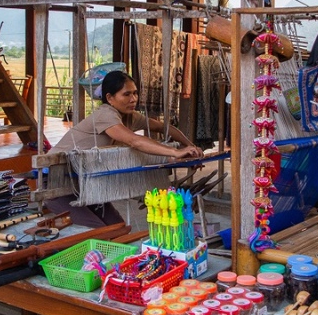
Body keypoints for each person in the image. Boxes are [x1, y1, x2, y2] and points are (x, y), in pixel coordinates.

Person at [46, 70, 204, 227]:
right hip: (57, 180)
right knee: (100, 232)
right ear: (110, 98)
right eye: (126, 94)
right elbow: (134, 141)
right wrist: (175, 152)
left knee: (118, 228)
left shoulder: (130, 116)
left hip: (84, 182)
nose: (133, 99)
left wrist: (190, 146)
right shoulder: (105, 114)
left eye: (135, 93)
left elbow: (163, 128)